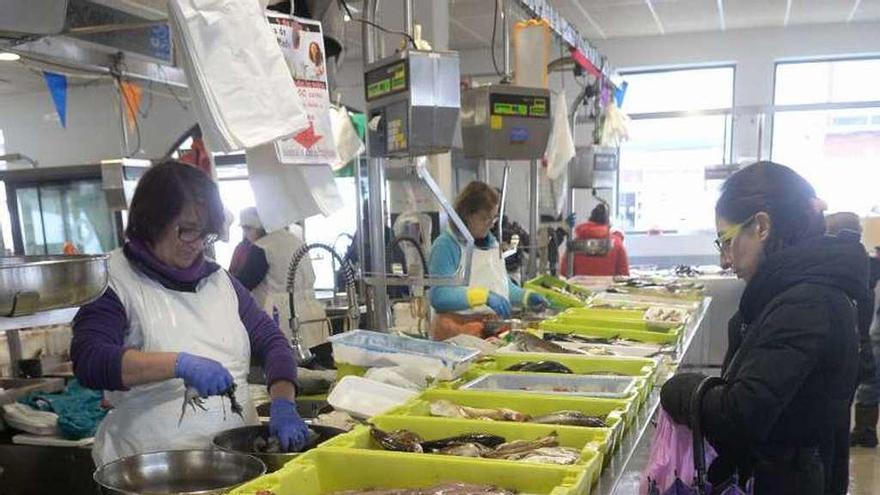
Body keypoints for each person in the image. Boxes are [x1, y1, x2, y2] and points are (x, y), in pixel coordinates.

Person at [71, 161, 309, 466]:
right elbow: (90, 359)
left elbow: (273, 342)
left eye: (205, 234)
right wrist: (178, 364)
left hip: (234, 463)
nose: (197, 245)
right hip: (150, 469)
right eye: (186, 231)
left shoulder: (221, 282)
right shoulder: (113, 281)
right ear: (152, 221)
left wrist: (283, 402)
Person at [659, 162, 869, 494]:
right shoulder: (795, 291)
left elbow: (740, 416)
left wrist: (680, 390)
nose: (724, 260)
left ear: (761, 226)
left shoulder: (806, 303)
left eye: (726, 241)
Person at [428, 181, 548, 341]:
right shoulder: (446, 245)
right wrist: (483, 296)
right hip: (457, 332)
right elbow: (439, 297)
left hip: (489, 330)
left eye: (493, 218)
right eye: (484, 218)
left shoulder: (491, 244)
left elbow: (501, 286)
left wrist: (526, 296)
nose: (490, 225)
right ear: (466, 216)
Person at [234, 207, 328, 350]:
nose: (246, 235)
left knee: (289, 364)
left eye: (247, 230)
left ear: (256, 228)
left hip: (283, 316)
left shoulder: (263, 247)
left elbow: (243, 284)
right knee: (316, 360)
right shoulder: (296, 241)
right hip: (312, 312)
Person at [825, 212, 880, 449]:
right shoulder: (866, 263)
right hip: (863, 338)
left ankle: (863, 431)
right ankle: (864, 430)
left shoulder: (838, 265)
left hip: (856, 340)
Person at [558, 203, 629, 277]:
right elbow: (624, 275)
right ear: (608, 222)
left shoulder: (576, 243)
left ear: (590, 219)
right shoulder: (617, 243)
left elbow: (564, 272)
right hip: (608, 287)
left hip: (579, 287)